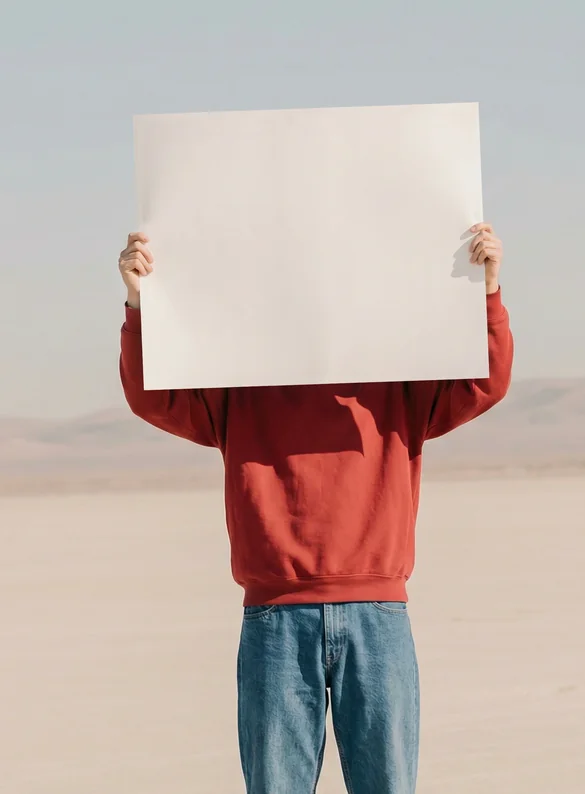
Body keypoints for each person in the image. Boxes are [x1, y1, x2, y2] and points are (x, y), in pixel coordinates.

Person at [119, 223, 513, 794]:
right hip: (275, 619)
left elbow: (485, 382)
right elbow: (152, 393)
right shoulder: (239, 381)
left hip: (378, 616)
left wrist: (486, 291)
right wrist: (139, 302)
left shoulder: (397, 377)